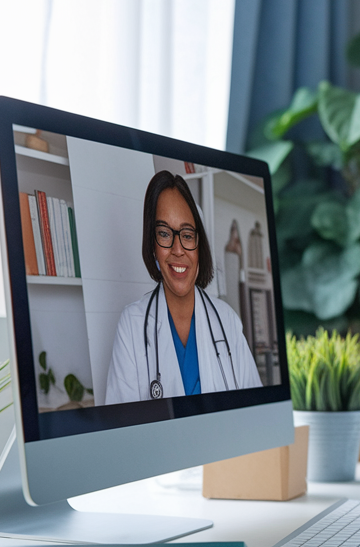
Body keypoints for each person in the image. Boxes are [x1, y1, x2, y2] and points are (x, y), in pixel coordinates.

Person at [104, 170, 261, 404]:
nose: (178, 249)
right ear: (152, 245)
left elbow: (255, 414)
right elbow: (121, 429)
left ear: (199, 246)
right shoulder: (132, 325)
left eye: (187, 235)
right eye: (165, 234)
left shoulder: (227, 320)